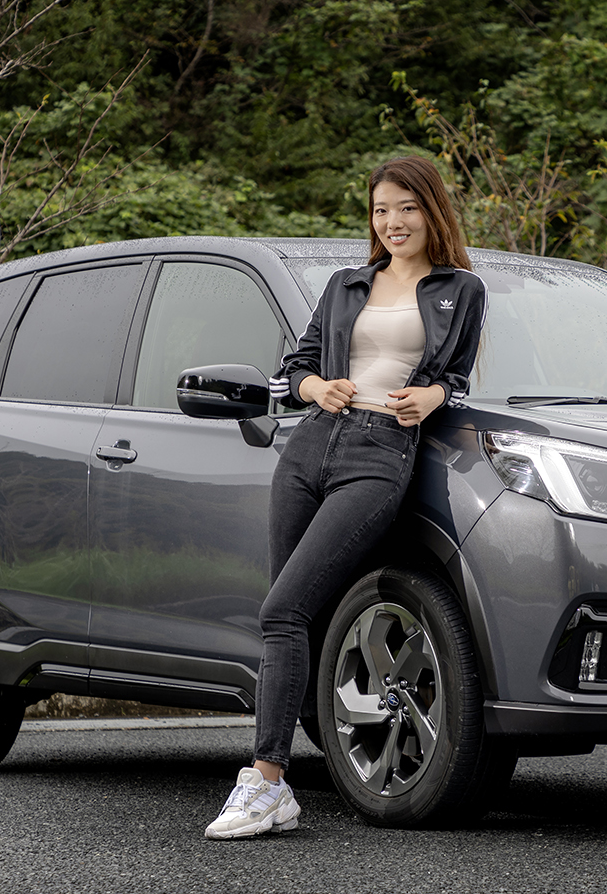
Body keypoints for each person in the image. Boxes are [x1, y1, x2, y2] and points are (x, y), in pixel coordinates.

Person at [203, 155, 487, 840]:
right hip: (310, 447)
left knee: (283, 608)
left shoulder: (461, 290)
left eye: (407, 208)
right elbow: (295, 368)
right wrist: (313, 390)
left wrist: (433, 395)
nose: (393, 222)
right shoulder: (346, 285)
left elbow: (459, 377)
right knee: (291, 614)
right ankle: (294, 772)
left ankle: (265, 781)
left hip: (380, 452)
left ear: (432, 210)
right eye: (381, 209)